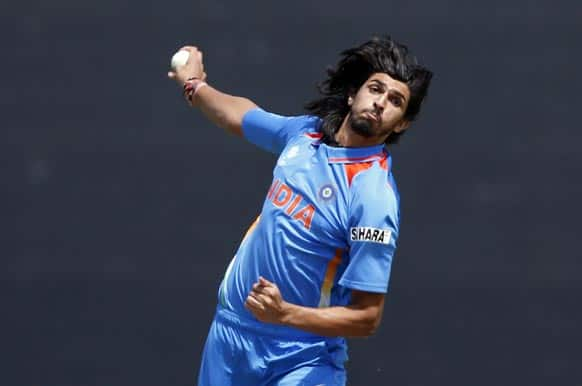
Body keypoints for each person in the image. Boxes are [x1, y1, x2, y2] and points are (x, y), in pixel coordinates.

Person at [168, 36, 432, 386]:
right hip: (230, 337)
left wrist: (285, 315)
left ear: (401, 123)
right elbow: (240, 115)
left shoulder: (373, 195)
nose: (381, 102)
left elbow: (367, 317)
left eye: (395, 100)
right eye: (375, 88)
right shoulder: (304, 136)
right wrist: (194, 84)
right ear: (354, 94)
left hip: (303, 358)